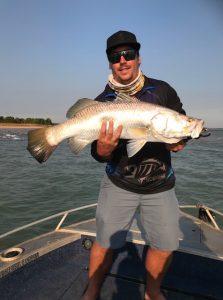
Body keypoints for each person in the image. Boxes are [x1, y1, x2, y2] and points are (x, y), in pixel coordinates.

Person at [82, 30, 186, 300]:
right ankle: (91, 289)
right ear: (109, 63)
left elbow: (181, 122)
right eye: (116, 57)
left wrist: (178, 139)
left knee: (164, 245)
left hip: (160, 183)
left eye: (129, 54)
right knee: (104, 242)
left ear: (139, 58)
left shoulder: (163, 90)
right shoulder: (102, 102)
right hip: (119, 182)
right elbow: (98, 152)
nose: (123, 60)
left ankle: (152, 292)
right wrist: (103, 150)